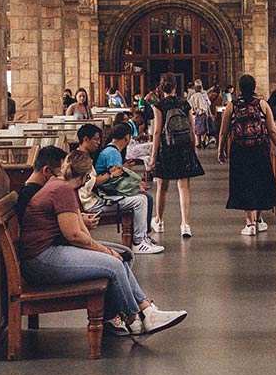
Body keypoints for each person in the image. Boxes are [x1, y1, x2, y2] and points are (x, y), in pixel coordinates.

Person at [19, 150, 187, 336]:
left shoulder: (61, 186)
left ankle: (146, 311)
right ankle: (134, 318)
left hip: (44, 255)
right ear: (86, 176)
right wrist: (104, 251)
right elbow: (74, 235)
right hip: (41, 260)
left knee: (121, 256)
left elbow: (79, 228)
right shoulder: (63, 190)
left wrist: (103, 250)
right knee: (114, 264)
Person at [77, 124, 162, 254]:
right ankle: (139, 242)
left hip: (97, 198)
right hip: (93, 203)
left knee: (142, 199)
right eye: (95, 139)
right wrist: (111, 175)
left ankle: (142, 237)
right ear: (85, 139)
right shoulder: (81, 160)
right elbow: (91, 182)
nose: (98, 143)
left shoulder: (84, 157)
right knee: (141, 200)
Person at [218, 75, 276, 235]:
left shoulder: (232, 106)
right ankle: (259, 219)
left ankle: (249, 223)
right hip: (260, 148)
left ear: (239, 88)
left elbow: (224, 131)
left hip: (240, 150)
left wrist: (220, 150)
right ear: (254, 87)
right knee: (260, 182)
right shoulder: (262, 104)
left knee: (244, 183)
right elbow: (272, 130)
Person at [149, 73, 205, 238]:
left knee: (162, 186)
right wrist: (194, 148)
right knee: (184, 186)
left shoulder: (159, 106)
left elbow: (158, 131)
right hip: (183, 147)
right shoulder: (184, 103)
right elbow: (191, 126)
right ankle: (185, 224)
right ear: (175, 87)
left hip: (166, 148)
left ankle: (159, 221)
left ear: (161, 87)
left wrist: (153, 156)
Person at [16, 145, 70, 221]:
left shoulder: (31, 191)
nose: (62, 179)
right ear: (47, 170)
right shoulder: (29, 195)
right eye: (60, 174)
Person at [187, 81, 212, 148]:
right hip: (202, 114)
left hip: (195, 116)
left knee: (197, 130)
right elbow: (204, 106)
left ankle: (198, 143)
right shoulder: (202, 96)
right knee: (203, 130)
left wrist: (194, 111)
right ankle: (203, 141)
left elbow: (190, 105)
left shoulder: (192, 97)